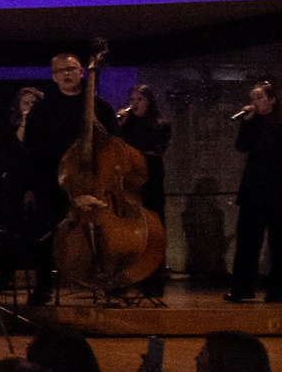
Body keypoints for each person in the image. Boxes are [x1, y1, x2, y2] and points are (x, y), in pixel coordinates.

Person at [21, 50, 115, 304]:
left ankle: (107, 281)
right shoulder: (42, 110)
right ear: (53, 77)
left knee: (102, 231)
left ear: (82, 72)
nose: (67, 74)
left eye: (72, 69)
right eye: (61, 71)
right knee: (47, 235)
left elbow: (114, 144)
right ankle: (44, 287)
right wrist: (32, 186)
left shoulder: (100, 108)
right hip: (52, 183)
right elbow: (31, 149)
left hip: (93, 182)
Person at [227, 79, 282, 304]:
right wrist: (247, 122)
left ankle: (277, 291)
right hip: (254, 193)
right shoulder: (252, 125)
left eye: (260, 97)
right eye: (252, 98)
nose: (255, 102)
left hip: (281, 194)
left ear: (272, 100)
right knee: (247, 243)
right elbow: (241, 146)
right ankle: (242, 289)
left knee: (280, 245)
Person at [117, 83, 174, 299]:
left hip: (151, 182)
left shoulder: (161, 124)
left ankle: (154, 278)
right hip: (128, 182)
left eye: (139, 99)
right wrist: (121, 124)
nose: (134, 103)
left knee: (153, 228)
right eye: (131, 99)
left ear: (149, 101)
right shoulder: (126, 124)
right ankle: (126, 276)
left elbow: (154, 149)